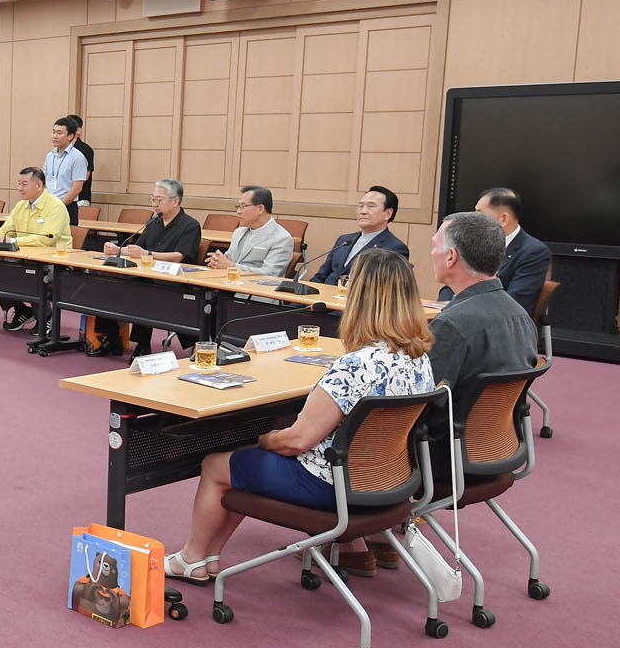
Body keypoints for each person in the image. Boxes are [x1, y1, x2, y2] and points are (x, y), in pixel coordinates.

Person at [165, 249, 435, 585]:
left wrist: (265, 439)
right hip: (384, 480)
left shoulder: (356, 365)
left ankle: (192, 557)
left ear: (361, 298)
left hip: (329, 484)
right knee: (245, 463)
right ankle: (210, 557)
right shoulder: (419, 359)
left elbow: (297, 441)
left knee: (217, 466)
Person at [419, 211, 540, 546]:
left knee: (358, 431)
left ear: (451, 256)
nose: (431, 252)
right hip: (497, 448)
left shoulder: (453, 324)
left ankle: (357, 539)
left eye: (434, 245)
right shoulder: (520, 315)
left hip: (446, 459)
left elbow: (420, 404)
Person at [103, 179, 202, 355]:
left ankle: (142, 345)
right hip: (148, 276)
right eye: (152, 199)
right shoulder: (154, 222)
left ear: (175, 201)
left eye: (159, 200)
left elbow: (179, 256)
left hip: (173, 281)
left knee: (144, 292)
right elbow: (137, 249)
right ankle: (112, 338)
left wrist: (149, 254)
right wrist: (117, 250)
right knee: (107, 286)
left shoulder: (190, 225)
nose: (154, 204)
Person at [437, 187, 551, 314]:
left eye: (479, 214)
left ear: (503, 219)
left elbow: (515, 302)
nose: (473, 220)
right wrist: (444, 307)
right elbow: (451, 285)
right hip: (458, 314)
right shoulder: (475, 243)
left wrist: (461, 311)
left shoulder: (533, 252)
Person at [0, 167, 70, 331]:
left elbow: (47, 239)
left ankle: (46, 316)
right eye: (18, 184)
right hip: (25, 257)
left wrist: (14, 241)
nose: (19, 188)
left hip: (55, 262)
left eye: (24, 184)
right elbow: (5, 230)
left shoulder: (56, 206)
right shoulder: (20, 206)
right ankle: (21, 310)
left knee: (28, 273)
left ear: (39, 185)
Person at [311, 186, 409, 285]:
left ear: (388, 214)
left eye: (371, 206)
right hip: (325, 293)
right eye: (361, 206)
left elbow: (385, 287)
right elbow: (321, 276)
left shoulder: (395, 248)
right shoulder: (344, 240)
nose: (363, 211)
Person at [207, 185, 293, 276]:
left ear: (260, 208)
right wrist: (217, 261)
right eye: (238, 206)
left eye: (243, 206)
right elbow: (228, 260)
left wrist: (232, 267)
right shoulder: (239, 232)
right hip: (228, 282)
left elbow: (270, 274)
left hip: (254, 284)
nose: (238, 211)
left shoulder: (282, 238)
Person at [43, 116, 88, 227]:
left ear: (70, 136)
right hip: (48, 206)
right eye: (53, 132)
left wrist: (59, 206)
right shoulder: (49, 156)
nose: (55, 136)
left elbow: (77, 188)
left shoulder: (77, 157)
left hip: (67, 206)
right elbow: (45, 182)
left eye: (59, 133)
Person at [66, 114, 95, 205]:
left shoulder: (85, 150)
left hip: (80, 199)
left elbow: (85, 176)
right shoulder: (61, 149)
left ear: (78, 130)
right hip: (63, 196)